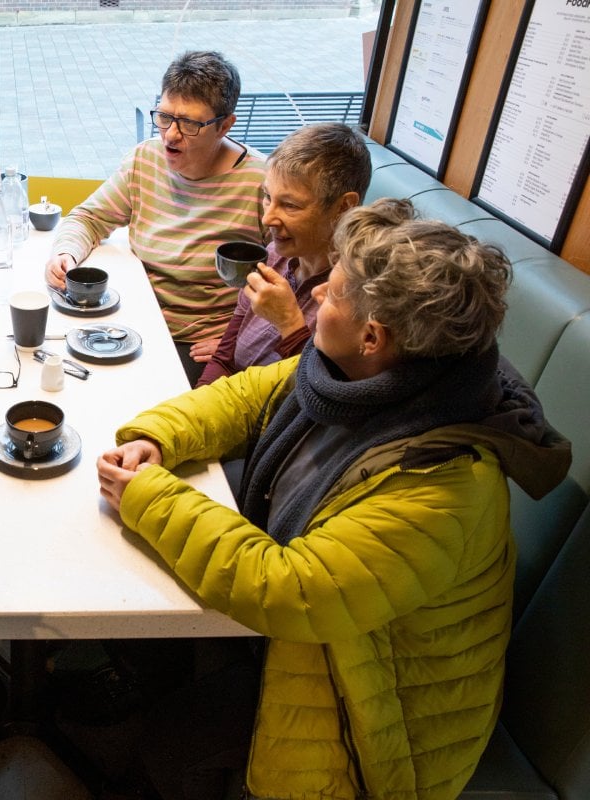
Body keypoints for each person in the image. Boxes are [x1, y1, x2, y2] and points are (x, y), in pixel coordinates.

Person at [96, 198, 571, 800]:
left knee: (169, 743)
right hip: (332, 646)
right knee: (156, 656)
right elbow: (245, 397)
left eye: (334, 292)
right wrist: (156, 439)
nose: (316, 295)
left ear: (373, 336)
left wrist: (151, 498)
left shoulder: (444, 486)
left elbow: (291, 590)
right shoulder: (369, 376)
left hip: (375, 720)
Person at [45, 51, 266, 384]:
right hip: (133, 320)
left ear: (224, 125)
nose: (171, 135)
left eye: (190, 124)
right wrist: (66, 253)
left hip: (198, 343)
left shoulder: (261, 182)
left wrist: (244, 338)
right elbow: (90, 218)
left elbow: (297, 278)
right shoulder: (145, 158)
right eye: (164, 117)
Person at [196, 122, 370, 387]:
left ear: (344, 206)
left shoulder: (355, 297)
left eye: (289, 205)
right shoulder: (276, 254)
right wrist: (197, 400)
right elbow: (226, 355)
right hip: (229, 399)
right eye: (268, 196)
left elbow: (325, 395)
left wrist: (289, 323)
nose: (268, 218)